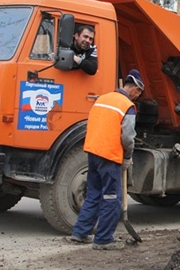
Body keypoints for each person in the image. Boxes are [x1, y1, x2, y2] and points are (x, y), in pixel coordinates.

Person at [69, 69, 145, 250]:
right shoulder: (127, 106)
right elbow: (127, 137)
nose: (137, 97)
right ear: (135, 88)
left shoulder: (102, 99)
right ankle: (103, 239)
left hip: (93, 152)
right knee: (112, 198)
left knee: (93, 194)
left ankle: (80, 233)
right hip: (109, 156)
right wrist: (127, 157)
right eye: (139, 93)